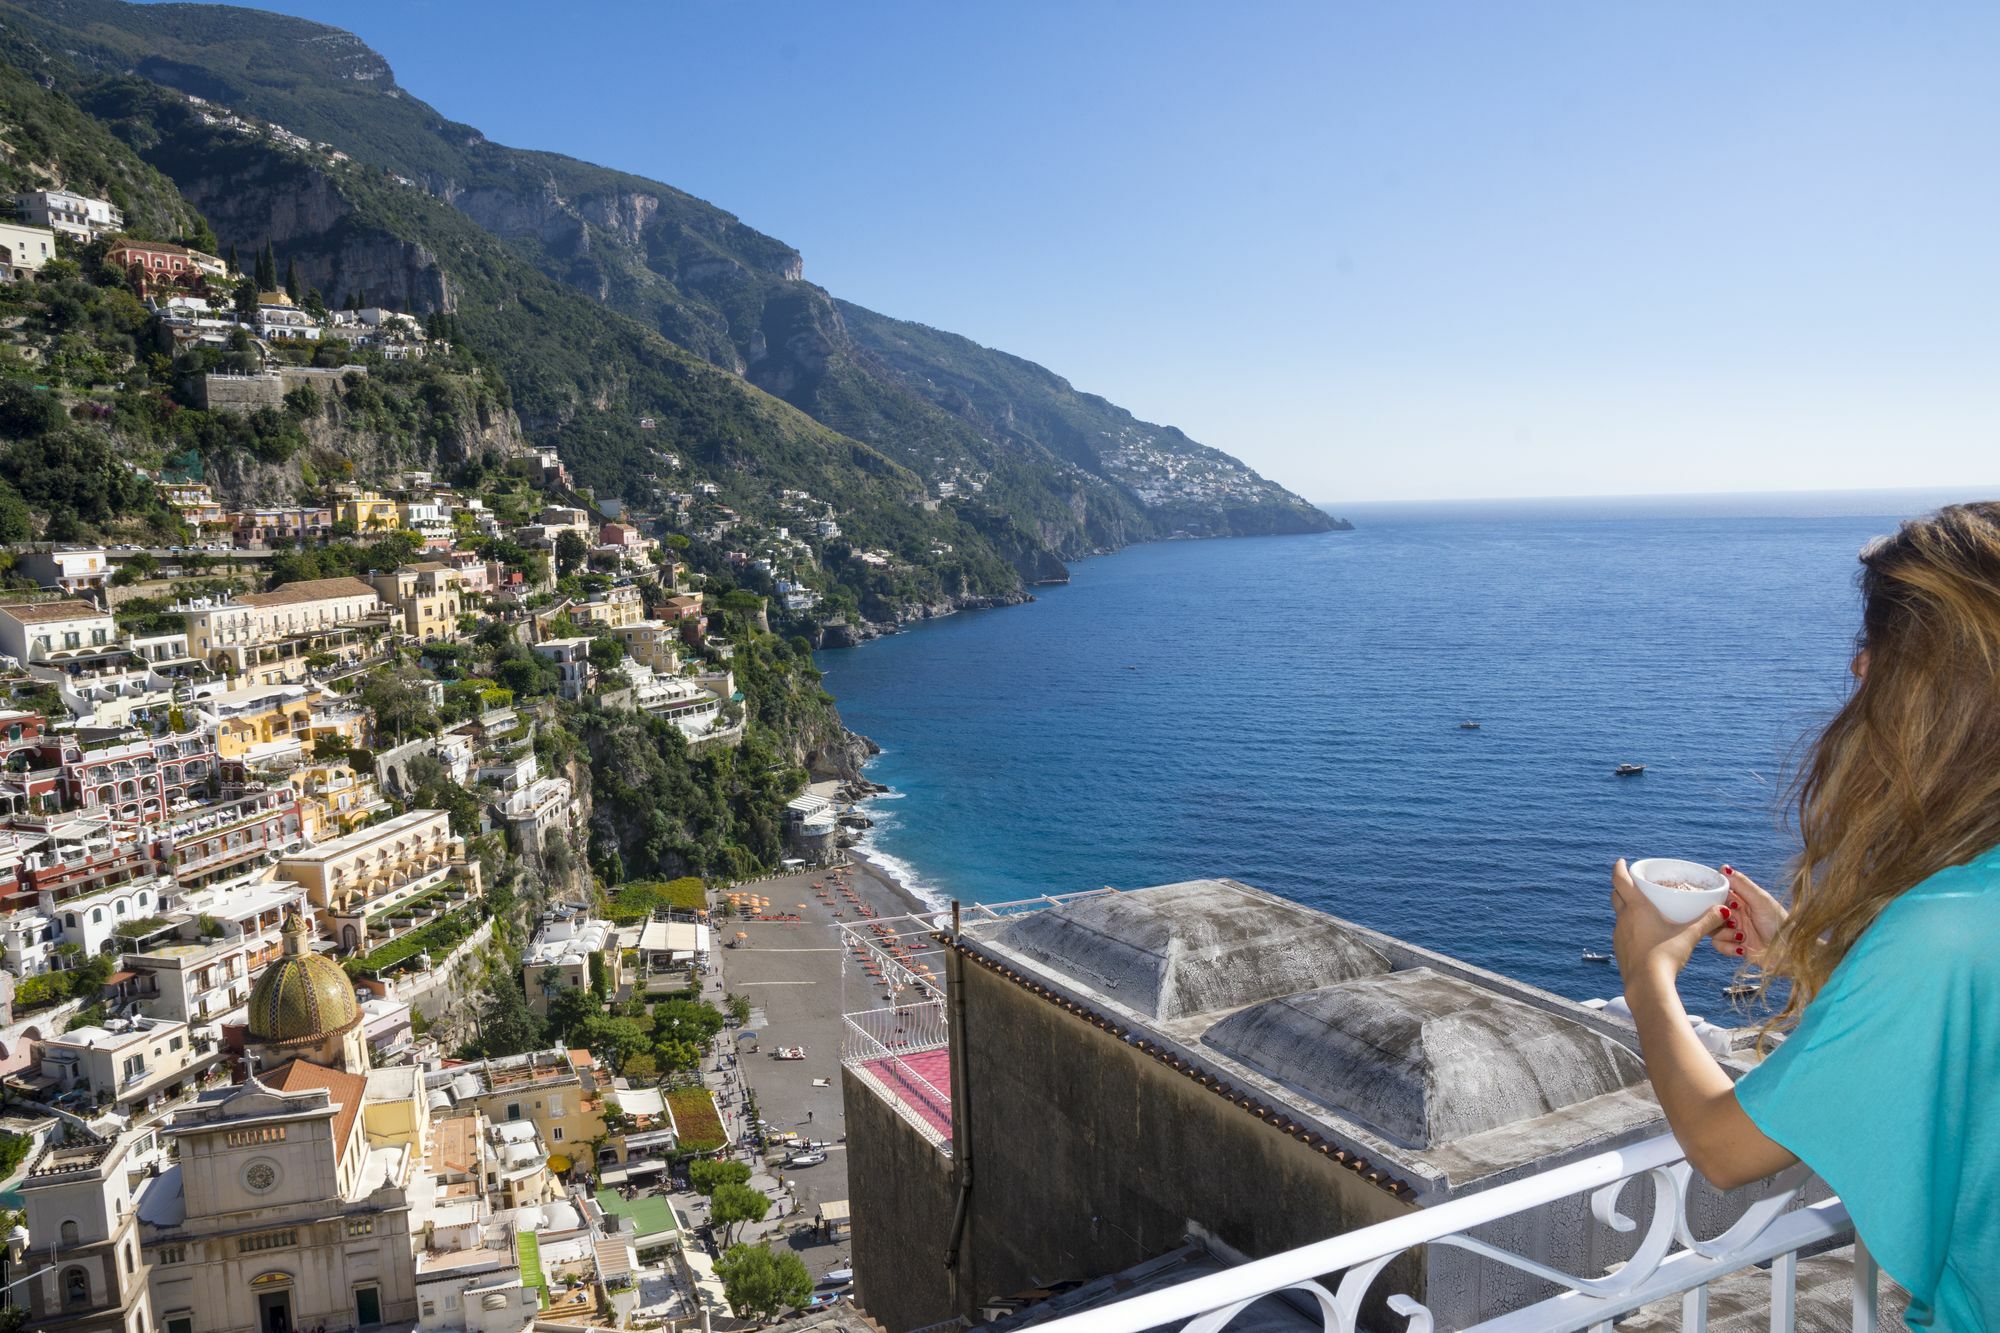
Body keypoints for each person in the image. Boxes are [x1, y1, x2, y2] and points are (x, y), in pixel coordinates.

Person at [1612, 502, 2000, 1330]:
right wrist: (1804, 952)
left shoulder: (1948, 926)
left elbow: (1727, 1148)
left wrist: (1648, 973)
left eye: (1880, 647)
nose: (1859, 669)